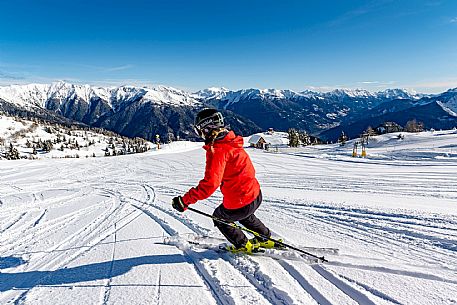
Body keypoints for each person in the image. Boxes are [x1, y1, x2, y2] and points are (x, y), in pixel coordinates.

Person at [171, 108, 276, 254]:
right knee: (245, 215)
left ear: (207, 129)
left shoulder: (218, 151)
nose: (200, 134)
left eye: (200, 130)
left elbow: (209, 185)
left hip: (241, 201)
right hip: (255, 195)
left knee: (220, 217)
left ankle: (243, 245)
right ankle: (266, 238)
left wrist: (185, 201)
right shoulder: (232, 142)